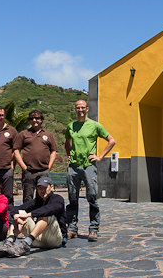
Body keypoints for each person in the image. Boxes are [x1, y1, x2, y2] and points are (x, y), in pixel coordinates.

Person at [64, 99, 116, 242]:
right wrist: (69, 156)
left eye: (82, 107)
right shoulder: (70, 126)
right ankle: (72, 228)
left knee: (92, 197)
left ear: (87, 109)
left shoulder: (95, 125)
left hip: (89, 165)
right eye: (77, 108)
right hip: (73, 167)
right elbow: (67, 143)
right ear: (75, 109)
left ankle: (93, 229)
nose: (80, 110)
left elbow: (111, 140)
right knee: (72, 197)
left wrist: (100, 157)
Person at [0, 176, 67, 258]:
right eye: (40, 188)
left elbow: (49, 209)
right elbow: (16, 209)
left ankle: (26, 243)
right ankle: (9, 242)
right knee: (20, 213)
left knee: (45, 214)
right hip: (37, 239)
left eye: (45, 188)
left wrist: (28, 214)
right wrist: (16, 216)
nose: (42, 191)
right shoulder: (36, 201)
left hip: (54, 240)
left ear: (51, 187)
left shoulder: (58, 199)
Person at [13, 110, 57, 203]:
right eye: (32, 118)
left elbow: (53, 151)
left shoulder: (48, 134)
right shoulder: (23, 134)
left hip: (44, 171)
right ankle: (28, 216)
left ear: (41, 120)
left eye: (37, 118)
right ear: (29, 120)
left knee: (44, 197)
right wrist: (24, 167)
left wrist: (49, 167)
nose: (34, 120)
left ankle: (42, 216)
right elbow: (16, 151)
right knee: (27, 198)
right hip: (29, 172)